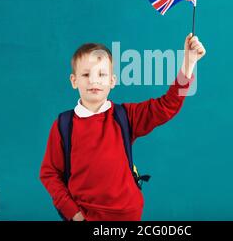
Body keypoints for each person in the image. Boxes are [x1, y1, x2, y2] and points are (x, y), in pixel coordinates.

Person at [40, 33, 206, 221]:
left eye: (101, 74)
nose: (94, 81)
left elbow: (168, 105)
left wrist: (189, 63)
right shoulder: (63, 125)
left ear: (112, 80)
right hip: (84, 216)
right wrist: (73, 213)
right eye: (86, 74)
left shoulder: (125, 116)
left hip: (127, 214)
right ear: (74, 80)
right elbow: (50, 174)